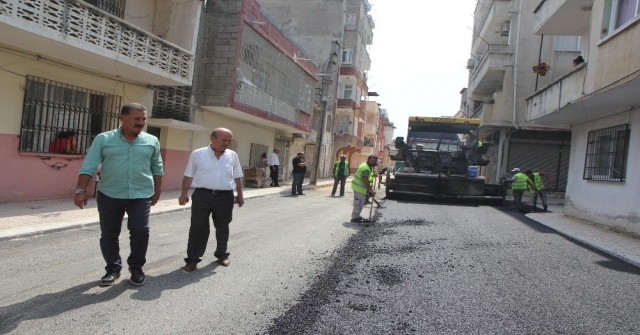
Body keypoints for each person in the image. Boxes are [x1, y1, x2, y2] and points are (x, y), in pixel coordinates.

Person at [74, 103, 164, 287]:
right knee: (109, 233)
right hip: (110, 194)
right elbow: (89, 165)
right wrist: (80, 190)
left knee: (140, 230)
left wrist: (157, 191)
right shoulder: (104, 139)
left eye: (143, 119)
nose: (141, 122)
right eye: (136, 118)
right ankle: (112, 269)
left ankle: (136, 267)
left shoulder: (151, 140)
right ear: (122, 118)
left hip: (141, 194)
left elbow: (157, 167)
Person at [180, 128, 244, 272]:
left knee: (223, 227)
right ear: (212, 139)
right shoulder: (198, 154)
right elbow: (188, 174)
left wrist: (240, 194)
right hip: (202, 195)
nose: (227, 143)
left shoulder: (232, 155)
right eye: (224, 140)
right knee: (198, 227)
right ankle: (192, 260)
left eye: (229, 141)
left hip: (225, 197)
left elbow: (237, 176)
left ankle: (221, 255)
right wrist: (184, 193)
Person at [351, 155, 378, 222]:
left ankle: (357, 216)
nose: (373, 162)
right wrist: (371, 190)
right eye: (372, 160)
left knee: (361, 202)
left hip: (361, 188)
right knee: (359, 202)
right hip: (359, 187)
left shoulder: (368, 166)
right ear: (368, 159)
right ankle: (355, 218)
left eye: (374, 161)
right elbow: (365, 179)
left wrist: (373, 174)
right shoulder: (365, 168)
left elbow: (369, 176)